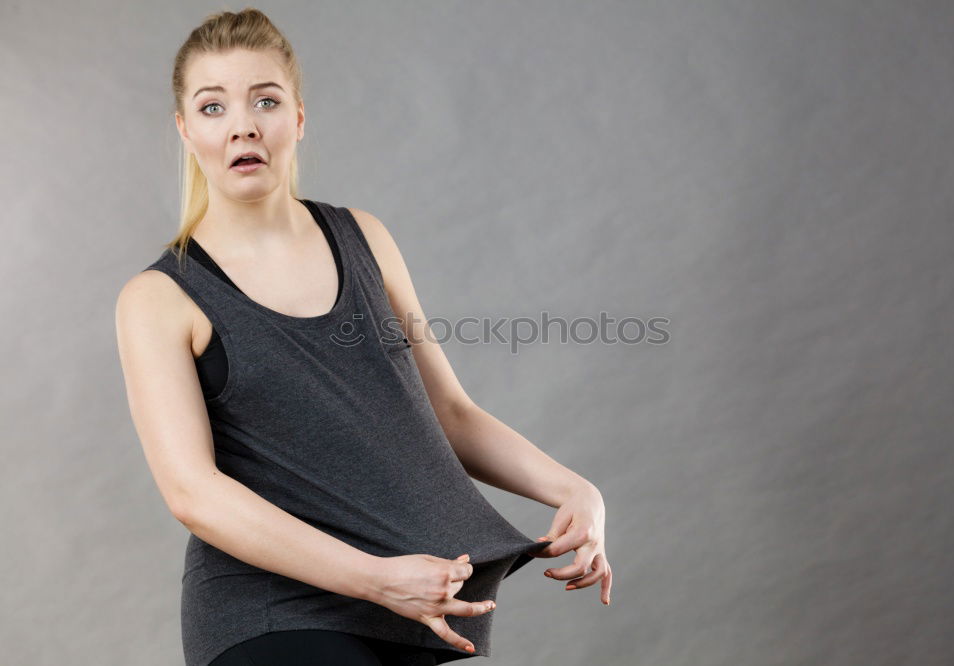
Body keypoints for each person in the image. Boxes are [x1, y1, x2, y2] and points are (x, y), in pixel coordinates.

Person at [115, 8, 612, 666]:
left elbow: (450, 413)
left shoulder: (365, 239)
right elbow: (193, 495)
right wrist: (377, 579)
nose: (243, 125)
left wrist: (576, 490)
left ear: (297, 118)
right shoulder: (158, 299)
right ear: (185, 130)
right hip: (266, 611)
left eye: (265, 100)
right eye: (213, 107)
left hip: (406, 601)